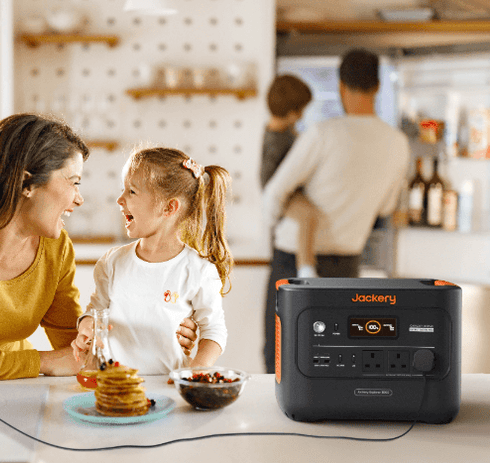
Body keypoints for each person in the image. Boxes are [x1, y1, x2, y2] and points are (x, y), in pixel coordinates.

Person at [0, 113, 197, 382]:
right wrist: (44, 362)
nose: (79, 199)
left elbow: (76, 348)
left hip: (15, 397)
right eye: (73, 182)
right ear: (26, 183)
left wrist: (159, 328)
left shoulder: (55, 247)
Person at [262, 49, 410, 373]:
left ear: (342, 87)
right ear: (378, 87)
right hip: (346, 268)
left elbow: (274, 192)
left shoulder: (322, 133)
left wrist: (277, 224)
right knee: (339, 362)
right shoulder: (398, 143)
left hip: (292, 261)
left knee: (280, 360)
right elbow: (386, 208)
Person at [71, 147, 233, 375]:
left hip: (169, 387)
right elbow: (96, 310)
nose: (120, 199)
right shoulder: (112, 262)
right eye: (122, 190)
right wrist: (87, 326)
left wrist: (194, 373)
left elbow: (214, 331)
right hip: (114, 383)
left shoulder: (198, 270)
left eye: (132, 192)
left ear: (169, 207)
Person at [261, 74, 318, 279]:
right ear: (292, 112)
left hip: (289, 190)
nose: (302, 116)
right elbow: (268, 178)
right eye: (301, 110)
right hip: (286, 194)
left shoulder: (284, 130)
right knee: (307, 215)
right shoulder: (277, 138)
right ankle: (306, 268)